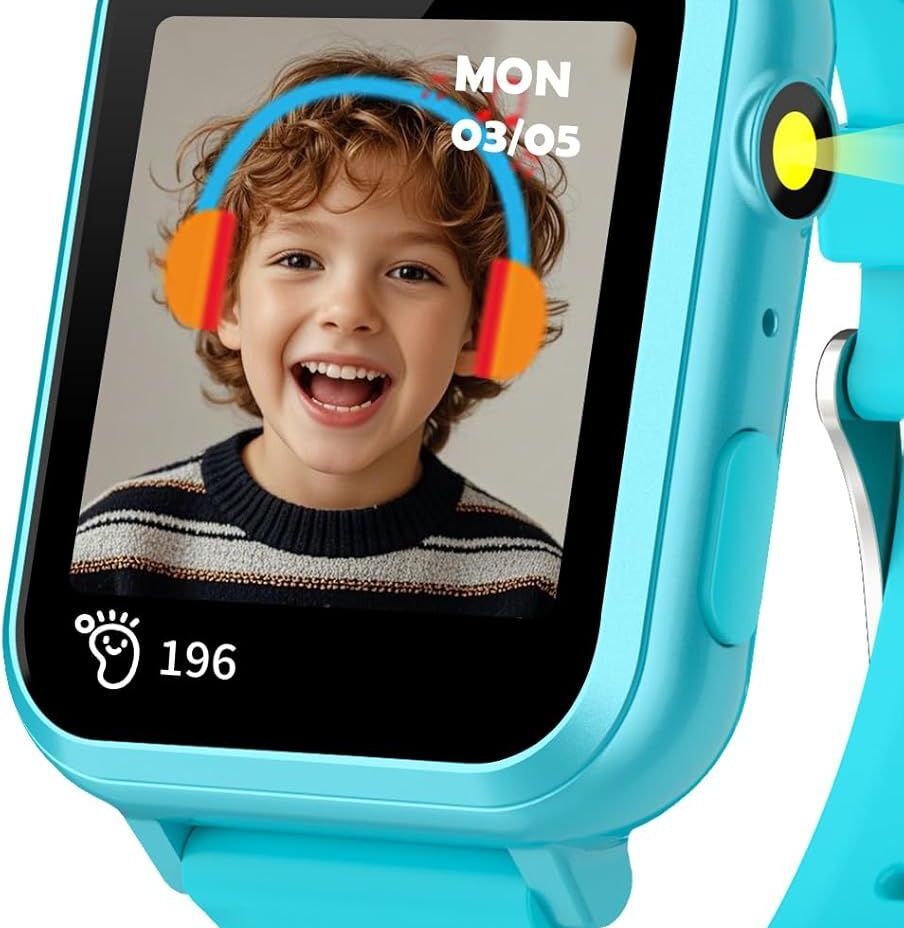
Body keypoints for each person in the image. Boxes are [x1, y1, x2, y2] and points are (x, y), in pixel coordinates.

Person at [72, 47, 569, 615]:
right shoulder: (117, 553)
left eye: (411, 272)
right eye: (299, 260)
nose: (348, 310)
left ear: (479, 333)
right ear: (227, 301)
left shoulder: (528, 587)